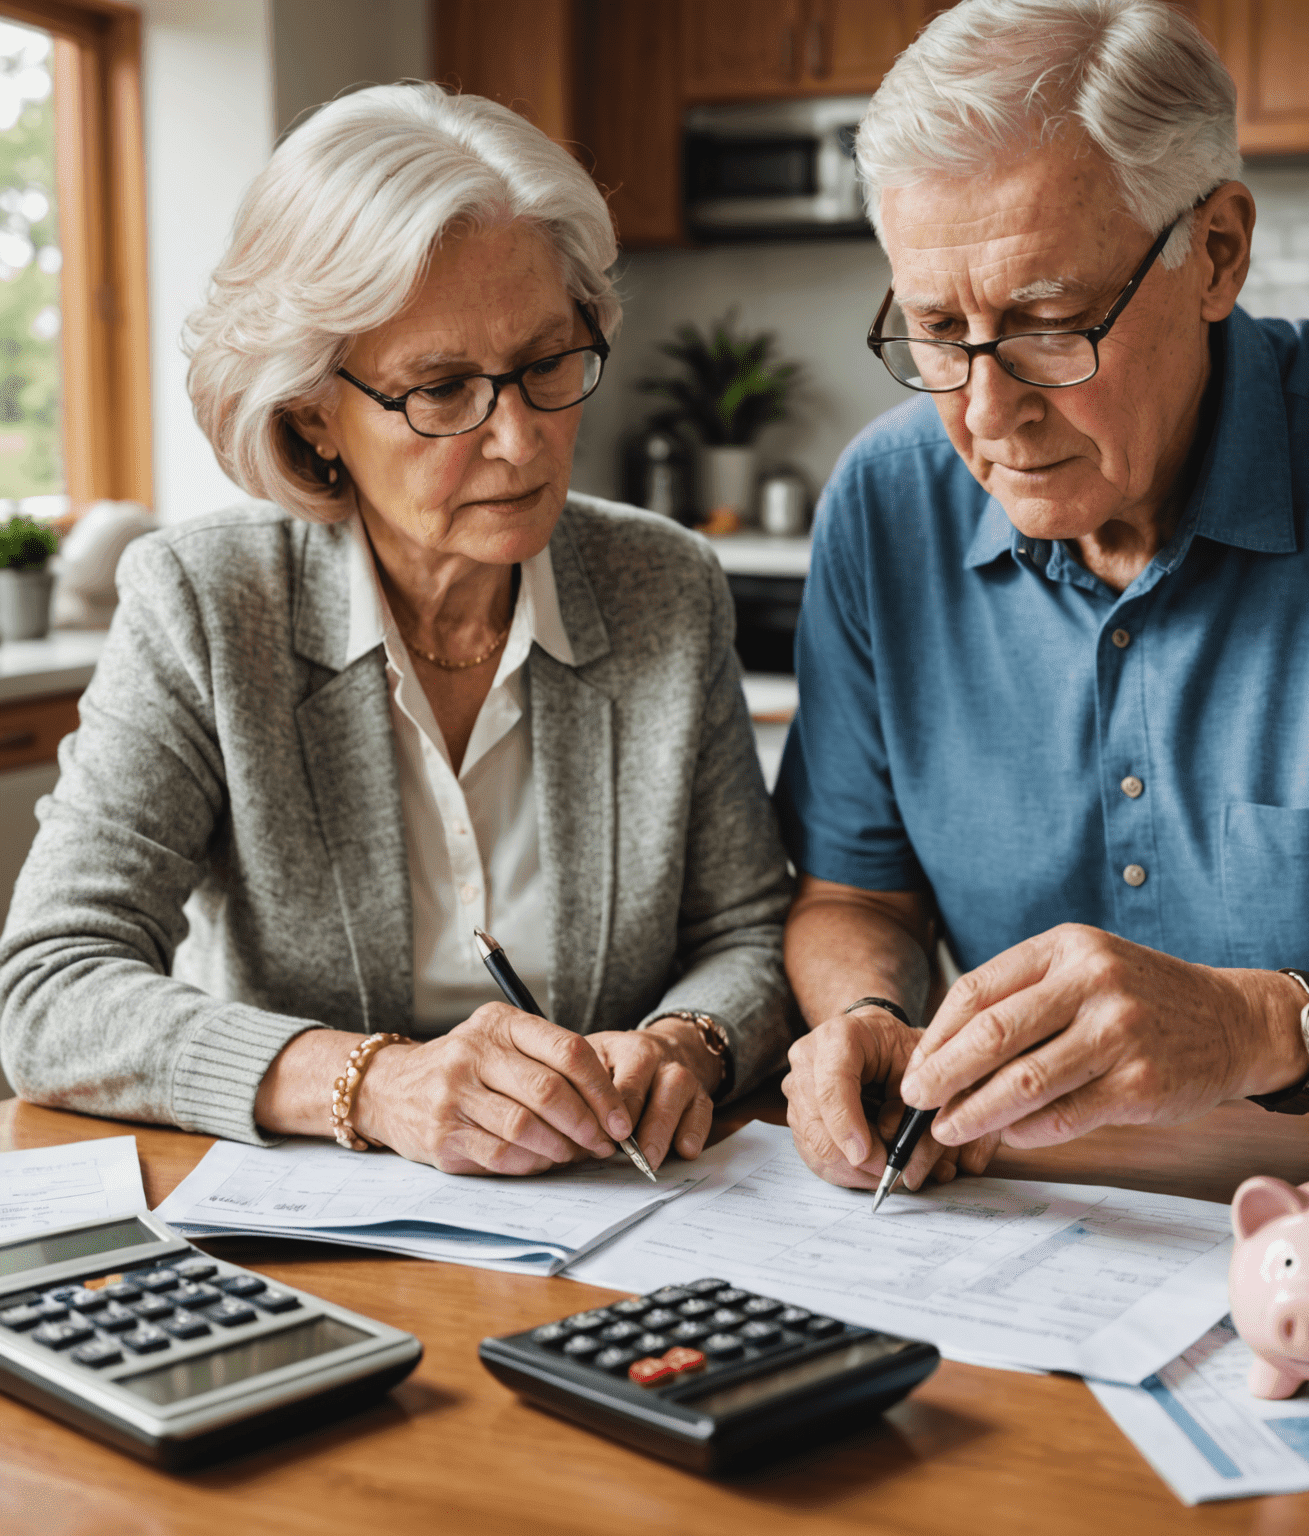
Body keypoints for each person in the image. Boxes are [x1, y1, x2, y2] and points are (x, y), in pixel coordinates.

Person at [777, 0, 1309, 1194]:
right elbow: (849, 894)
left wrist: (1251, 1030)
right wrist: (869, 1012)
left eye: (1047, 323)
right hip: (1031, 1214)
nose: (985, 414)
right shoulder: (885, 499)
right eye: (937, 331)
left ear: (1217, 253)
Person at [0, 84, 792, 1176]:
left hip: (620, 1218)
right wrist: (370, 1084)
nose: (519, 440)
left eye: (548, 362)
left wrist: (686, 1045)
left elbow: (749, 936)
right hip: (320, 1245)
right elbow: (51, 989)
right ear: (314, 412)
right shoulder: (208, 603)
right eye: (442, 389)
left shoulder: (665, 584)